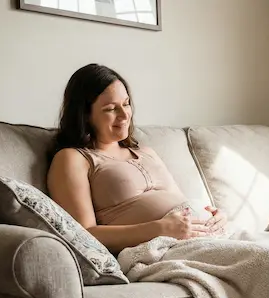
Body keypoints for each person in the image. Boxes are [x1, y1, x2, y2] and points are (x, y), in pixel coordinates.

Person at [47, 63, 227, 254]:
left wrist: (215, 216)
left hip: (207, 236)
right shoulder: (73, 158)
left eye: (126, 104)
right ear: (85, 115)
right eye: (110, 109)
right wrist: (159, 229)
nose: (125, 115)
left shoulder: (146, 152)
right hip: (165, 248)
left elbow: (181, 207)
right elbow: (83, 235)